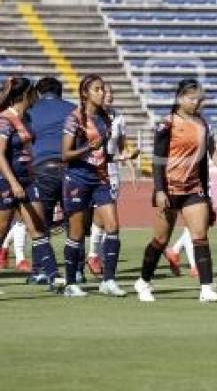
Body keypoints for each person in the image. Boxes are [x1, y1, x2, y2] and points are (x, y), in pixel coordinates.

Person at [134, 79, 217, 303]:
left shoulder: (203, 124)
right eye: (192, 98)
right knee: (160, 239)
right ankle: (144, 281)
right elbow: (158, 159)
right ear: (180, 98)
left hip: (193, 188)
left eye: (199, 99)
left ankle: (206, 288)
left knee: (200, 237)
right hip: (169, 189)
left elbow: (207, 154)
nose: (197, 103)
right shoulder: (167, 123)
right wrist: (159, 190)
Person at [61, 74, 125, 297]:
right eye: (97, 89)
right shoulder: (74, 118)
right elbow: (65, 155)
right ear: (85, 93)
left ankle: (108, 280)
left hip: (101, 179)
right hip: (77, 179)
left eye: (103, 89)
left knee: (114, 227)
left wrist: (121, 157)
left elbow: (103, 154)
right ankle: (70, 283)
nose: (102, 93)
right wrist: (88, 147)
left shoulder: (106, 119)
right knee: (77, 233)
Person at [1, 76, 62, 290]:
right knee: (1, 231)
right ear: (27, 94)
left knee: (38, 228)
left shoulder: (26, 117)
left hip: (28, 180)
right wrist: (13, 183)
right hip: (7, 182)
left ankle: (54, 276)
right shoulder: (5, 119)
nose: (37, 96)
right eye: (34, 92)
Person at [25, 76, 75, 285]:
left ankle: (40, 270)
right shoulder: (73, 109)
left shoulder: (30, 112)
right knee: (74, 222)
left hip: (41, 169)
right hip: (70, 170)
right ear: (59, 92)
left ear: (38, 92)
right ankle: (76, 270)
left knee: (39, 223)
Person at [87, 83, 139, 275]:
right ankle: (92, 255)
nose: (108, 96)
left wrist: (131, 168)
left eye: (111, 93)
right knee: (96, 215)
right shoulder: (91, 116)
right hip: (92, 167)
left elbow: (122, 145)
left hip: (112, 169)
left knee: (104, 216)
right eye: (104, 92)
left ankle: (94, 256)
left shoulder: (118, 117)